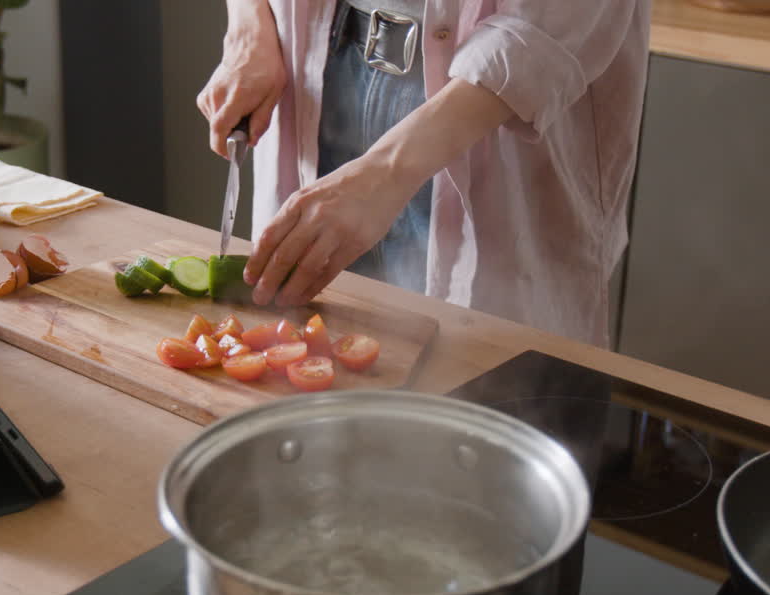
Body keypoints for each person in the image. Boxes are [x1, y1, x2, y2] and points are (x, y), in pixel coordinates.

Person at [197, 0, 649, 347]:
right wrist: (250, 27)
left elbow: (539, 32)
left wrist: (385, 172)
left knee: (488, 385)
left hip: (484, 111)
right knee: (302, 364)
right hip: (319, 70)